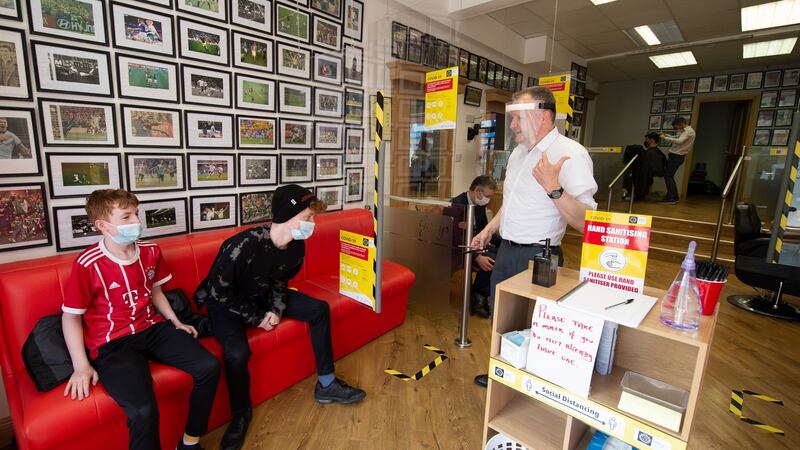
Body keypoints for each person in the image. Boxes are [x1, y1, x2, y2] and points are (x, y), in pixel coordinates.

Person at [194, 184, 366, 450]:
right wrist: (258, 317)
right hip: (225, 302)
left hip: (261, 294)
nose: (313, 223)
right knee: (238, 353)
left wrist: (275, 308)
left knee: (319, 309)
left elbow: (280, 281)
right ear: (287, 215)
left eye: (314, 217)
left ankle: (327, 384)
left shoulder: (297, 247)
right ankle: (241, 414)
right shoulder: (244, 245)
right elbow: (218, 291)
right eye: (308, 217)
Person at [61, 189, 220, 450]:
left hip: (152, 328)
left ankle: (189, 442)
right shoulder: (87, 264)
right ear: (102, 225)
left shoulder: (150, 251)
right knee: (143, 411)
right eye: (126, 217)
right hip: (113, 342)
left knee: (209, 367)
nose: (136, 222)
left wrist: (175, 322)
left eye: (136, 213)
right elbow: (70, 318)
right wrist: (81, 366)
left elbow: (155, 291)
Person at [471, 87, 598, 387]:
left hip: (540, 256)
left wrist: (554, 189)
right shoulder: (518, 153)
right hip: (506, 252)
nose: (512, 124)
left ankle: (529, 384)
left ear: (543, 116)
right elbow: (511, 203)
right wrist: (488, 230)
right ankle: (502, 373)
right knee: (501, 318)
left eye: (518, 117)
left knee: (533, 326)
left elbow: (588, 221)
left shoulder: (571, 154)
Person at [450, 175, 501, 318]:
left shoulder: (479, 205)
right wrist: (477, 257)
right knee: (491, 261)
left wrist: (504, 242)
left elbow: (484, 229)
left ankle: (481, 292)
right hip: (458, 249)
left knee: (500, 254)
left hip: (474, 244)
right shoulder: (455, 205)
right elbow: (454, 239)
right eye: (488, 196)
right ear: (478, 192)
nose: (489, 200)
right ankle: (478, 296)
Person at [659, 117, 696, 204]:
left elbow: (679, 141)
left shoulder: (689, 131)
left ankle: (672, 198)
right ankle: (674, 197)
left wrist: (664, 138)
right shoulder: (684, 131)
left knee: (668, 176)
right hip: (675, 156)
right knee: (669, 176)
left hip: (677, 156)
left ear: (681, 124)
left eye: (677, 127)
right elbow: (677, 137)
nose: (677, 129)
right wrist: (665, 135)